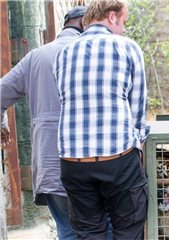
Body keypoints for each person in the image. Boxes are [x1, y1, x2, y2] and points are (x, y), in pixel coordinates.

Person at [54, 0, 149, 239]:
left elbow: (65, 99)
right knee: (128, 227)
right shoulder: (128, 48)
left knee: (89, 232)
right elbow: (137, 107)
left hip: (72, 160)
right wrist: (138, 144)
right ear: (112, 17)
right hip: (116, 157)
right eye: (124, 22)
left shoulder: (63, 53)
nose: (124, 29)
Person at [0, 6, 87, 239]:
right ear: (85, 24)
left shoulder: (36, 57)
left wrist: (2, 125)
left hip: (50, 162)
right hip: (92, 160)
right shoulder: (93, 52)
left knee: (67, 230)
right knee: (102, 228)